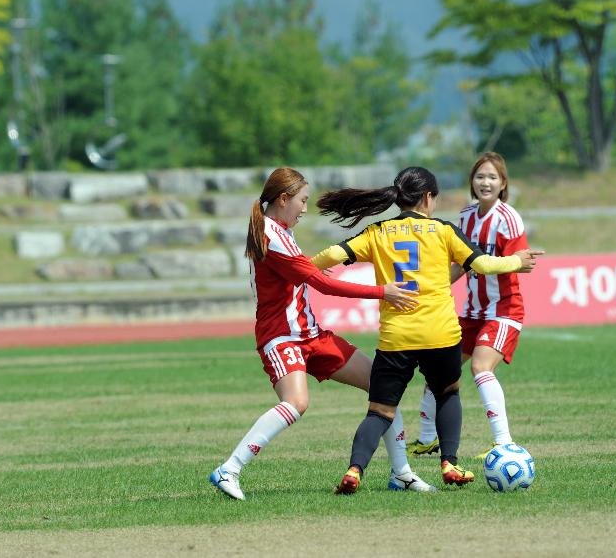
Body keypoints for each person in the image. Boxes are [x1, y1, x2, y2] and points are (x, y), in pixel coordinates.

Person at [311, 166, 542, 494]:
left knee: (379, 411)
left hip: (396, 338)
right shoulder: (444, 231)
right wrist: (518, 261)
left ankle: (354, 469)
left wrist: (295, 266)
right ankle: (449, 463)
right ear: (428, 197)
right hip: (440, 334)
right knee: (447, 392)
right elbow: (484, 265)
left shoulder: (377, 232)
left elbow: (331, 256)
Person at [209, 167, 435, 501]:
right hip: (282, 336)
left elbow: (301, 271)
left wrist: (309, 266)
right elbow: (321, 284)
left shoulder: (279, 230)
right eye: (301, 201)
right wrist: (382, 291)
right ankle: (229, 469)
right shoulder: (272, 234)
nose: (304, 208)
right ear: (283, 199)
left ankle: (401, 474)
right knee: (296, 403)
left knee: (382, 386)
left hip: (311, 335)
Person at [410, 152, 534, 460]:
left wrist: (491, 264)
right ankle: (427, 440)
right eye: (480, 177)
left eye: (493, 177)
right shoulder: (465, 217)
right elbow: (460, 265)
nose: (486, 182)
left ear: (503, 183)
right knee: (439, 370)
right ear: (472, 182)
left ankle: (504, 443)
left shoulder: (508, 218)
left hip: (503, 310)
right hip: (472, 312)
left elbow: (522, 263)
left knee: (480, 366)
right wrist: (433, 286)